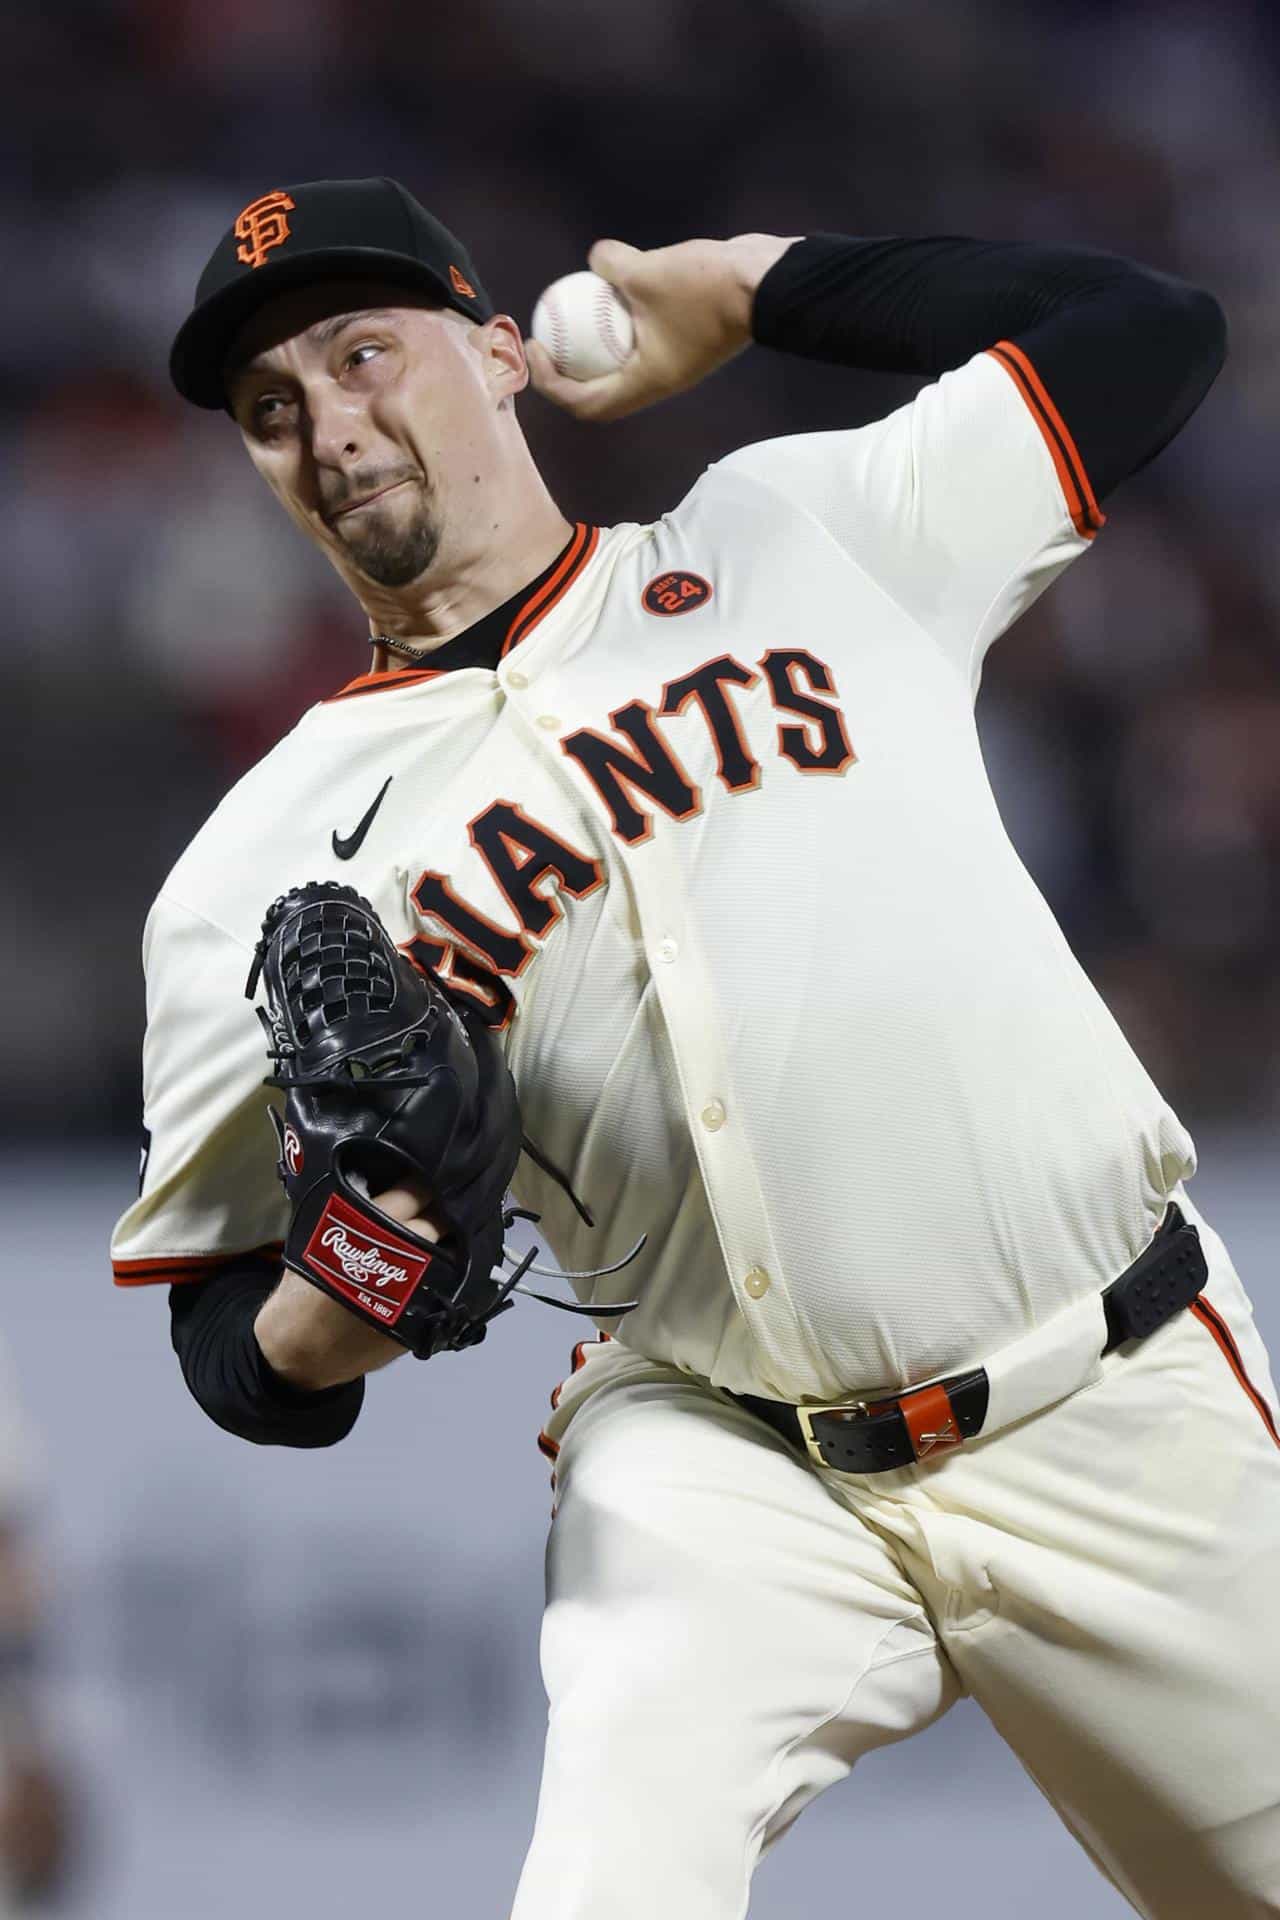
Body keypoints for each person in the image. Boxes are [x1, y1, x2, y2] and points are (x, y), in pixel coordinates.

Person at [111, 177, 1280, 1917]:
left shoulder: (802, 534)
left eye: (368, 355)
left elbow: (1149, 334)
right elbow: (237, 1353)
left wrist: (754, 288)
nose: (330, 427)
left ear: (502, 353)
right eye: (272, 409)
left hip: (1105, 1392)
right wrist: (356, 1272)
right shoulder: (244, 875)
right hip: (720, 1462)